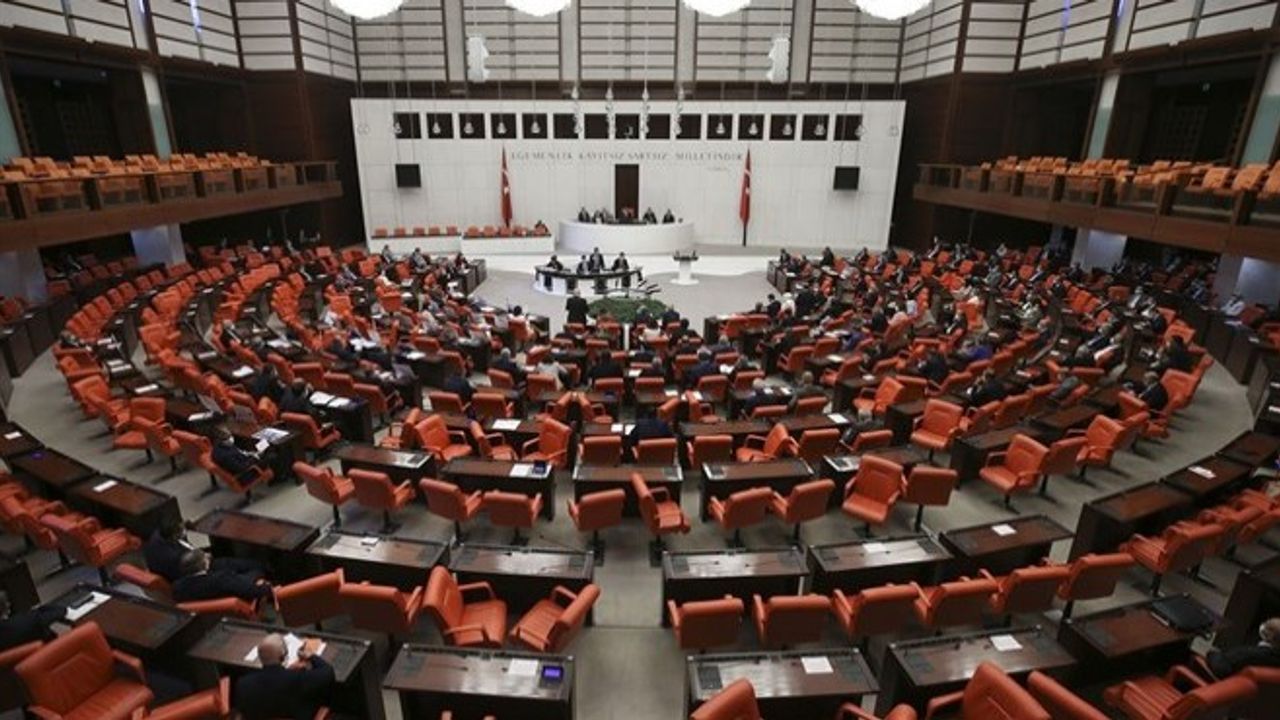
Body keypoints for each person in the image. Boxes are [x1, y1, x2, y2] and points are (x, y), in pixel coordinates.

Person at [233, 633, 335, 720]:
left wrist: (288, 672)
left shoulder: (243, 684)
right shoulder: (298, 679)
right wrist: (311, 656)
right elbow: (328, 672)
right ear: (283, 655)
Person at [144, 520, 264, 584]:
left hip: (195, 561)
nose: (184, 532)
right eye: (181, 531)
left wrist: (185, 525)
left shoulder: (158, 536)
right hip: (202, 570)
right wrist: (205, 558)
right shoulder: (175, 558)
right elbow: (191, 571)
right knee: (249, 565)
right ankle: (263, 568)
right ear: (174, 536)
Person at [171, 549, 273, 604]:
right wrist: (267, 588)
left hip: (210, 619)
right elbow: (252, 591)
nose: (208, 556)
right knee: (256, 571)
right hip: (240, 600)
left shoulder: (177, 588)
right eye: (205, 558)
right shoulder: (221, 579)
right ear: (205, 564)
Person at [1204, 618, 1280, 678]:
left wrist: (1212, 654)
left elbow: (1221, 668)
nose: (1263, 626)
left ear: (1271, 636)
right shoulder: (1275, 661)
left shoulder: (1250, 653)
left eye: (1267, 625)